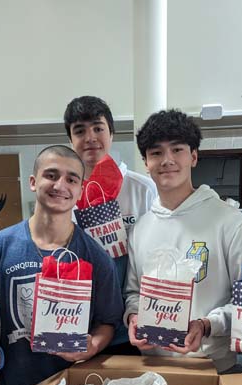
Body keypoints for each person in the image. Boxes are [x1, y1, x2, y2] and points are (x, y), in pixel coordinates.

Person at [0, 145, 123, 385]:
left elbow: (108, 322)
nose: (60, 185)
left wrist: (93, 345)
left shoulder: (96, 257)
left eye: (71, 179)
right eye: (51, 175)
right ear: (33, 182)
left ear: (80, 190)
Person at [124, 109, 242, 372]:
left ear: (193, 156)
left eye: (177, 150)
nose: (167, 160)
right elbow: (133, 292)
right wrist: (134, 316)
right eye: (156, 153)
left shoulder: (230, 222)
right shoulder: (141, 228)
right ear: (146, 162)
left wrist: (207, 325)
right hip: (153, 366)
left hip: (214, 367)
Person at [64, 95, 157, 352]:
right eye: (80, 131)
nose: (90, 137)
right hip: (83, 325)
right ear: (71, 140)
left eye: (98, 128)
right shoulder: (65, 194)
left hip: (134, 323)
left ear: (112, 133)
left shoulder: (141, 189)